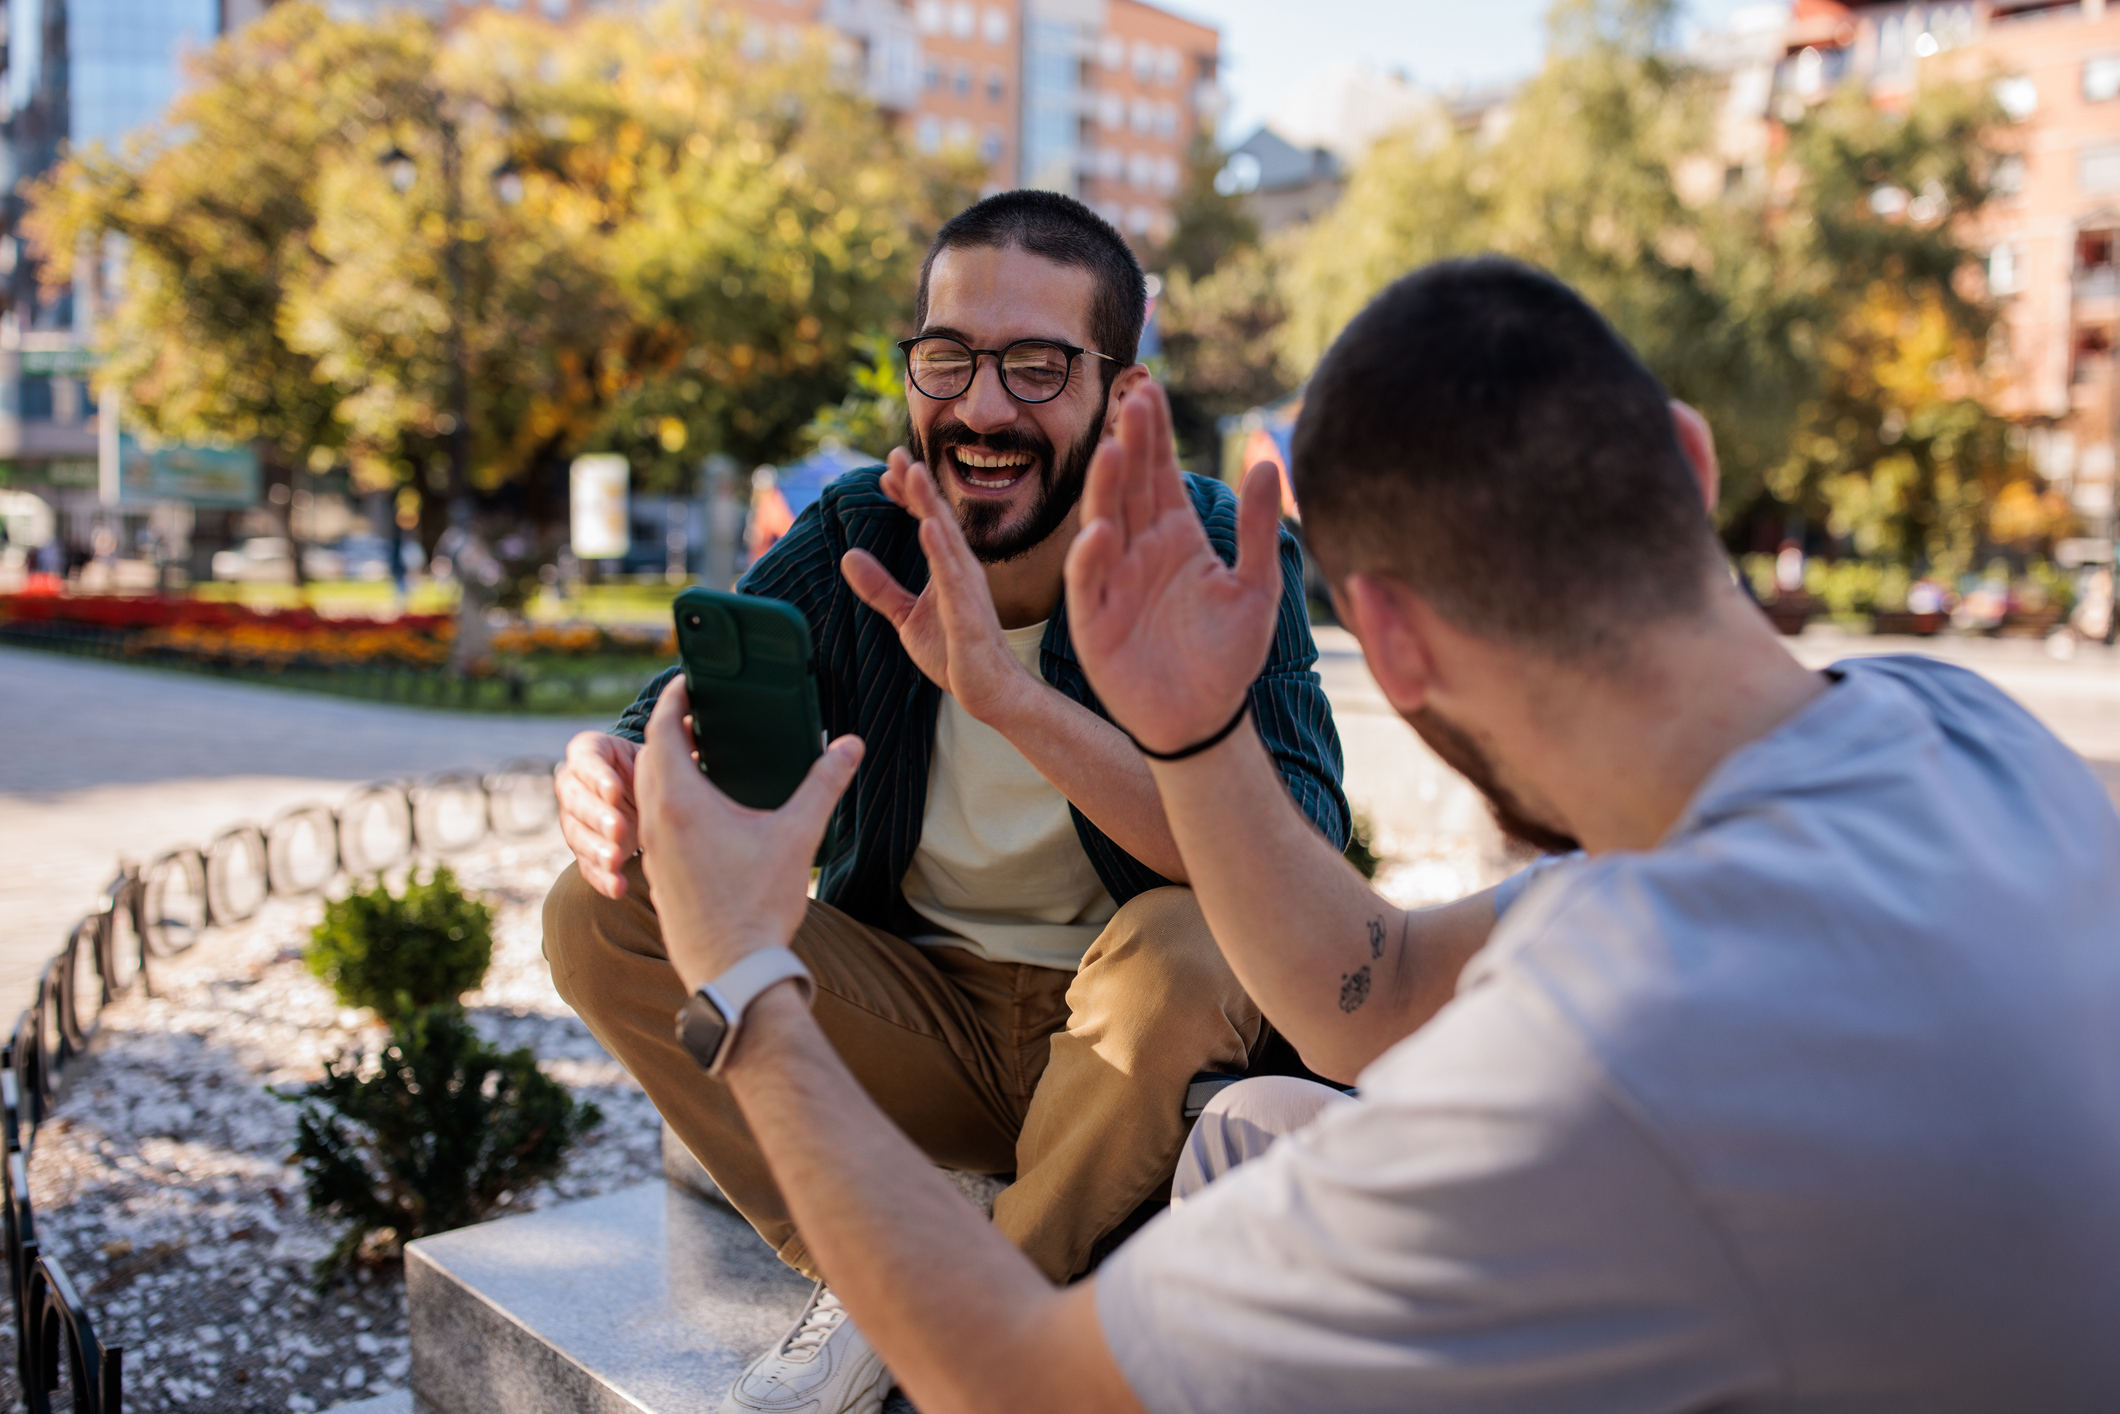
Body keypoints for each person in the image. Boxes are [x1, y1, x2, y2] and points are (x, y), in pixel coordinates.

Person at [620, 255, 2120, 1413]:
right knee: (1252, 1126)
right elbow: (1379, 988)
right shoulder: (1952, 720)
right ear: (1693, 464)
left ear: (1384, 644)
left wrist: (745, 971)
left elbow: (1011, 1372)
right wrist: (1196, 734)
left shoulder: (1605, 1061)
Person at [542, 190, 1347, 1414]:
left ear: (1121, 396)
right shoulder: (865, 526)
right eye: (948, 358)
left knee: (1192, 936)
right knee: (597, 906)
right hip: (913, 1012)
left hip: (1135, 1041)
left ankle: (965, 1332)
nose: (980, 408)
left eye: (1034, 367)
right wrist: (612, 760)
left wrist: (1015, 700)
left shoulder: (1212, 549)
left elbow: (1297, 860)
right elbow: (695, 691)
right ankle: (868, 1275)